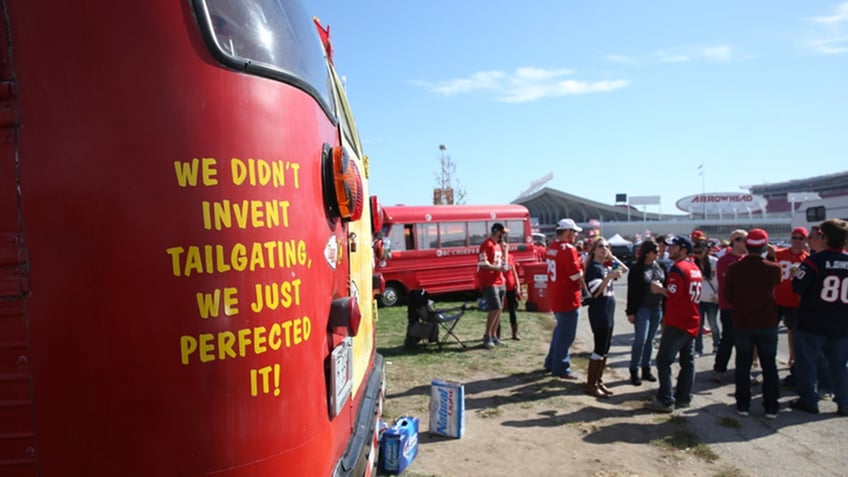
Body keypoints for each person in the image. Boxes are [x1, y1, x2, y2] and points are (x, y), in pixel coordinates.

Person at [790, 219, 848, 416]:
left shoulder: (814, 262)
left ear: (825, 237)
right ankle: (844, 401)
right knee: (840, 365)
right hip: (841, 323)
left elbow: (797, 286)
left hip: (812, 321)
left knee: (807, 362)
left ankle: (809, 400)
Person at [724, 228, 782, 418]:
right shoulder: (773, 268)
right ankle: (771, 407)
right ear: (765, 246)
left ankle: (743, 405)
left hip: (743, 322)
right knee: (769, 366)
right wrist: (772, 257)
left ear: (747, 245)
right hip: (767, 322)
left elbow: (728, 296)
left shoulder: (734, 269)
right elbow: (776, 285)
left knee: (743, 364)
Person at [646, 235, 702, 413]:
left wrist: (659, 289)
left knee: (663, 361)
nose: (669, 249)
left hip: (678, 321)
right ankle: (684, 397)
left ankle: (665, 400)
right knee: (688, 361)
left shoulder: (678, 269)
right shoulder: (694, 267)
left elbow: (674, 294)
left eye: (673, 247)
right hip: (691, 319)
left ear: (683, 250)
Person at [583, 238, 627, 397]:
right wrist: (608, 278)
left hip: (608, 309)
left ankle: (598, 380)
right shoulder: (594, 268)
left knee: (606, 347)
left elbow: (625, 269)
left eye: (607, 247)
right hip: (599, 310)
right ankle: (591, 384)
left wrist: (612, 257)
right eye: (601, 246)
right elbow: (595, 292)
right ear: (594, 250)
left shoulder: (604, 266)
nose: (604, 249)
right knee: (600, 346)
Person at [766, 227, 810, 388]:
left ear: (805, 240)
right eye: (794, 237)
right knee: (769, 331)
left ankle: (792, 359)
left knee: (794, 333)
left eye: (800, 238)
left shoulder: (808, 258)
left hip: (795, 302)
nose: (797, 241)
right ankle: (764, 360)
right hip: (776, 300)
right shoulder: (780, 253)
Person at [543, 218, 585, 380]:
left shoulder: (551, 247)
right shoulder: (568, 249)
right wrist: (583, 268)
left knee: (560, 331)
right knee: (566, 334)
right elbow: (576, 276)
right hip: (568, 296)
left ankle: (552, 361)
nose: (575, 235)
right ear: (568, 232)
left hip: (555, 294)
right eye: (574, 232)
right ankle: (561, 366)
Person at [625, 238, 665, 386]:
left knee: (650, 340)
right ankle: (634, 369)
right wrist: (630, 311)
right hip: (643, 308)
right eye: (655, 251)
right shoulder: (637, 269)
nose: (658, 253)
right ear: (647, 253)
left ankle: (646, 368)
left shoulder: (658, 266)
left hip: (657, 308)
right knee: (640, 339)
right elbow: (632, 291)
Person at [712, 229, 747, 383]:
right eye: (740, 239)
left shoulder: (747, 259)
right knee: (728, 338)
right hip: (729, 305)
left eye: (746, 239)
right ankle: (720, 369)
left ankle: (743, 370)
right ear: (733, 241)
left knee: (745, 340)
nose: (744, 242)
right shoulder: (725, 260)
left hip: (745, 306)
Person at [477, 223, 509, 349]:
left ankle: (494, 335)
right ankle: (487, 335)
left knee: (499, 309)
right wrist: (498, 268)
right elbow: (483, 263)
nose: (504, 235)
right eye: (502, 232)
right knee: (494, 308)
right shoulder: (487, 244)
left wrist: (506, 251)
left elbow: (503, 263)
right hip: (490, 282)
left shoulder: (498, 246)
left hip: (499, 281)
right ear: (496, 231)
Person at [693, 240, 720, 356]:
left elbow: (721, 280)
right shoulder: (693, 263)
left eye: (700, 252)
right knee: (698, 326)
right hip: (698, 299)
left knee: (713, 324)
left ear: (706, 251)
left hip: (712, 299)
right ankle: (698, 348)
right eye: (696, 252)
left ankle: (717, 344)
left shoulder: (715, 262)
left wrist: (718, 294)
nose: (698, 255)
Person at [500, 237, 523, 340]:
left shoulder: (510, 257)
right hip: (500, 286)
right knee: (498, 310)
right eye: (502, 245)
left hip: (510, 286)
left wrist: (518, 286)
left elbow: (514, 272)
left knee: (512, 310)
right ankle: (496, 334)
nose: (504, 247)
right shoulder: (498, 257)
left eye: (505, 245)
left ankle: (514, 333)